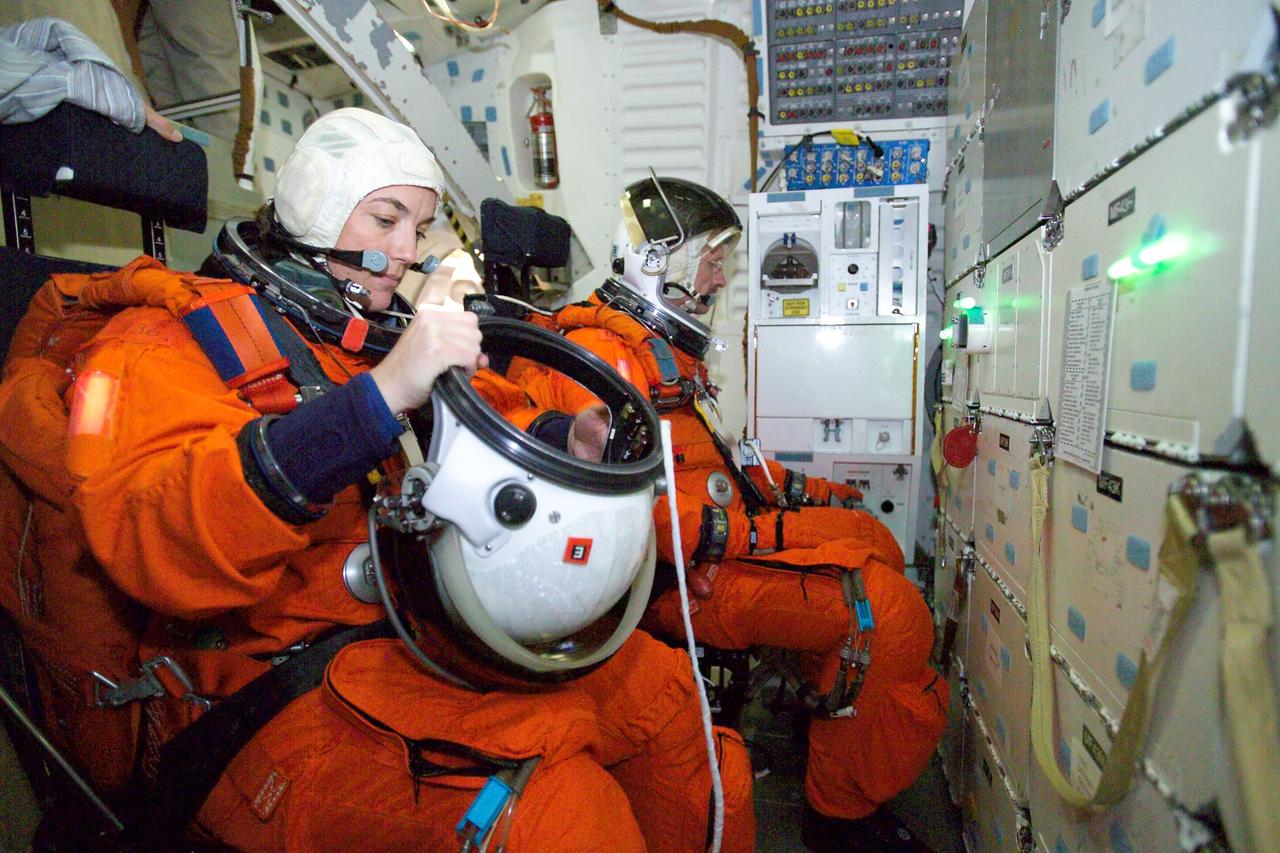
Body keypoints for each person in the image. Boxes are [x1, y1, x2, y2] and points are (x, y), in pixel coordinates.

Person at [0, 109, 754, 851]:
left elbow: (497, 413)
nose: (404, 252)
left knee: (675, 708)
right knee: (559, 810)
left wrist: (565, 438)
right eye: (385, 219)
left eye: (418, 228)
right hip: (261, 696)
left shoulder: (367, 335)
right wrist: (379, 398)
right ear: (315, 207)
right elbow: (159, 534)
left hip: (414, 639)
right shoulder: (166, 339)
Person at [509, 176, 949, 852]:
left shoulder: (663, 356)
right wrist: (755, 532)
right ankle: (840, 815)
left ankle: (833, 725)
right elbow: (622, 514)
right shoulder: (599, 361)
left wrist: (807, 491)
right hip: (671, 582)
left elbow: (722, 454)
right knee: (887, 609)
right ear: (659, 259)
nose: (720, 276)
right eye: (712, 257)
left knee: (873, 538)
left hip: (716, 543)